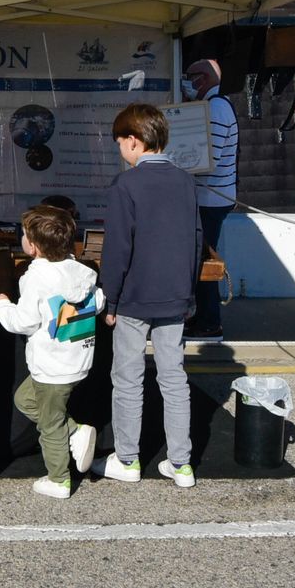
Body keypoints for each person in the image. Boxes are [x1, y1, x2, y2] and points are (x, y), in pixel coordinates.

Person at [93, 103, 202, 488]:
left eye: (121, 141)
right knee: (174, 379)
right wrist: (189, 296)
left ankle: (127, 459)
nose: (120, 148)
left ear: (134, 142)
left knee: (127, 378)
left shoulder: (126, 185)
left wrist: (111, 298)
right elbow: (196, 242)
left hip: (135, 298)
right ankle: (181, 463)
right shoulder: (187, 182)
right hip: (175, 295)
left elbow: (117, 248)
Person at [0, 205, 103, 499]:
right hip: (77, 360)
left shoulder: (35, 278)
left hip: (52, 367)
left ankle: (59, 479)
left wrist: (2, 304)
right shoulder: (84, 272)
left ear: (34, 247)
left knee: (50, 424)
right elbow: (98, 303)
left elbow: (23, 322)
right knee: (25, 399)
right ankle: (76, 431)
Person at [182, 58, 237, 340]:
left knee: (203, 263)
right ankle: (203, 318)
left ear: (201, 79)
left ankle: (209, 323)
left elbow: (208, 160)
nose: (186, 83)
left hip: (209, 198)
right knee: (201, 259)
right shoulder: (219, 106)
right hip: (215, 197)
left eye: (188, 77)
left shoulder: (215, 109)